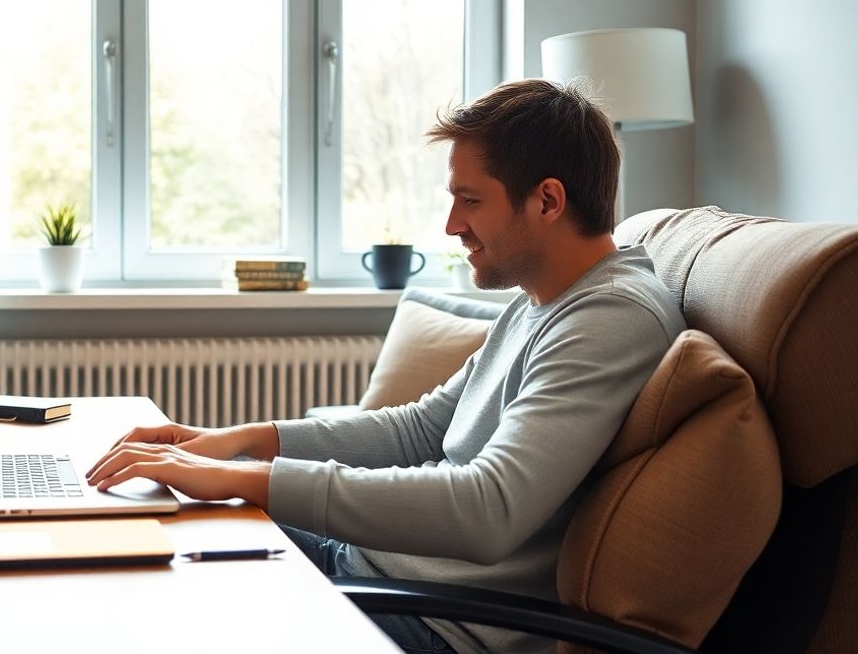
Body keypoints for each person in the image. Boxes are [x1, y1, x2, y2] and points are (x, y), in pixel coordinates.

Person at [86, 79, 687, 654]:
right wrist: (236, 443)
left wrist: (245, 480)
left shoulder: (610, 319)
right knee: (152, 531)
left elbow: (490, 509)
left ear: (548, 200)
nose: (453, 226)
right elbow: (418, 430)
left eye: (470, 200)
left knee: (154, 599)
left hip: (430, 624)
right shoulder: (544, 302)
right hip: (371, 573)